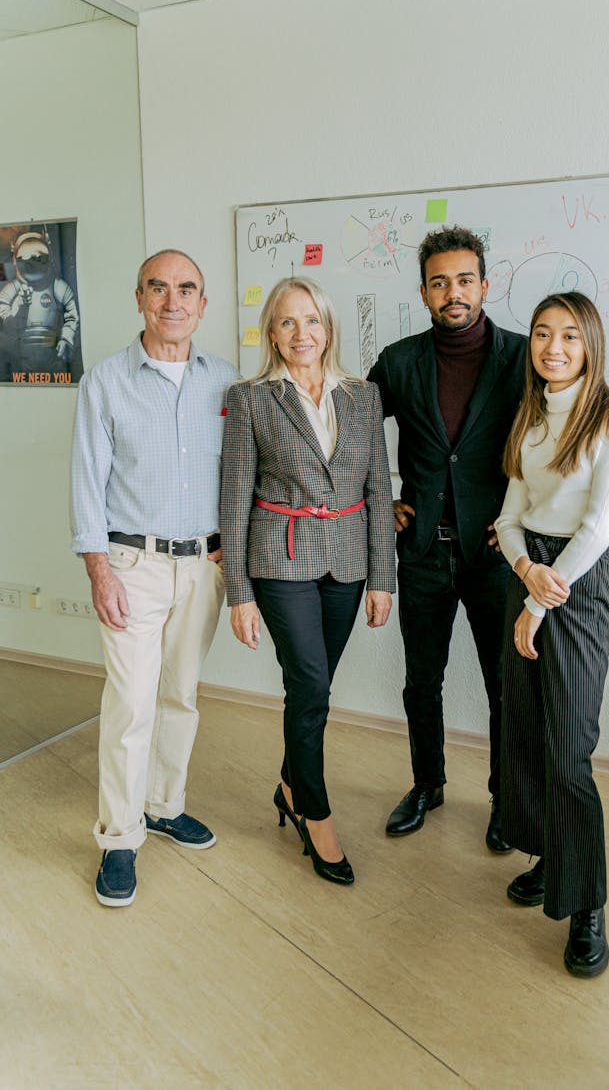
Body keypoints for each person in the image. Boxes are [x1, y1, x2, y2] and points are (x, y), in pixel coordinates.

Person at [70, 249, 238, 907]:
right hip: (130, 565)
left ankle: (165, 804)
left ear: (203, 303)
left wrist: (233, 548)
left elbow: (242, 476)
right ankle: (118, 837)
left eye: (186, 289)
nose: (173, 300)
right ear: (138, 297)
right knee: (131, 702)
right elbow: (87, 482)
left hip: (205, 565)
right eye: (158, 288)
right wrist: (98, 569)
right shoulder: (106, 381)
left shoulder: (227, 382)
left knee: (181, 696)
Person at [220, 277, 395, 886]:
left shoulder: (363, 396)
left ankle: (290, 783)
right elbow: (236, 494)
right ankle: (314, 813)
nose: (302, 334)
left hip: (347, 561)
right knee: (312, 684)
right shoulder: (250, 398)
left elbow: (378, 489)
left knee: (312, 690)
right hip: (280, 561)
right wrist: (237, 592)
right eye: (288, 323)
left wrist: (383, 578)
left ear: (329, 328)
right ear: (272, 332)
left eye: (312, 321)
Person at [495, 291, 609, 977]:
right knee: (524, 728)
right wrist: (525, 570)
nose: (554, 348)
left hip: (577, 585)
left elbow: (600, 526)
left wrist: (541, 601)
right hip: (533, 576)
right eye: (543, 335)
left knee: (571, 746)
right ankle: (553, 857)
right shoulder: (530, 416)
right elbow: (508, 518)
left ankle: (587, 907)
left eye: (570, 337)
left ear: (590, 346)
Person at [368, 226, 526, 847]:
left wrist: (519, 516)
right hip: (424, 553)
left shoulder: (523, 357)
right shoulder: (401, 360)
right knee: (421, 680)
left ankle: (503, 799)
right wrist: (379, 502)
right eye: (440, 282)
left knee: (501, 686)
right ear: (425, 292)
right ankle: (427, 783)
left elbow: (548, 447)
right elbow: (346, 434)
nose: (453, 292)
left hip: (495, 556)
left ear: (485, 285)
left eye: (464, 280)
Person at [0, 229, 80, 381]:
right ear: (16, 261)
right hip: (20, 362)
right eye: (25, 259)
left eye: (38, 258)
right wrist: (21, 306)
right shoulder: (10, 290)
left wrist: (67, 339)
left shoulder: (58, 286)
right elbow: (4, 324)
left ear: (48, 258)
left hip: (54, 358)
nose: (32, 264)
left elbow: (72, 317)